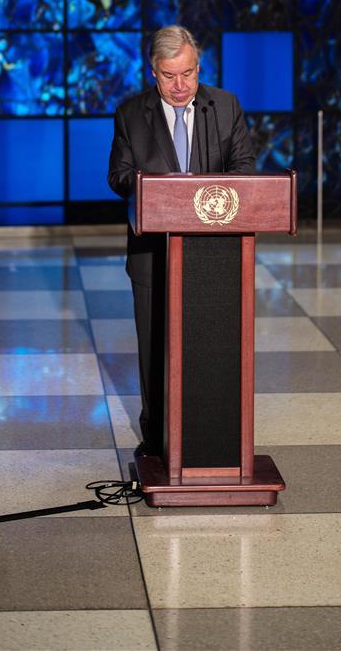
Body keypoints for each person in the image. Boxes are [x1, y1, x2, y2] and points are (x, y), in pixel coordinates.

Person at [108, 25, 255, 454]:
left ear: (198, 67)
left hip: (216, 253)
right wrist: (156, 191)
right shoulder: (131, 113)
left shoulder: (224, 107)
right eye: (169, 75)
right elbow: (118, 175)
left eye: (188, 74)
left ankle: (211, 436)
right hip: (152, 255)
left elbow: (244, 167)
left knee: (212, 346)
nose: (179, 85)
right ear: (153, 71)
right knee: (155, 348)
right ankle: (156, 438)